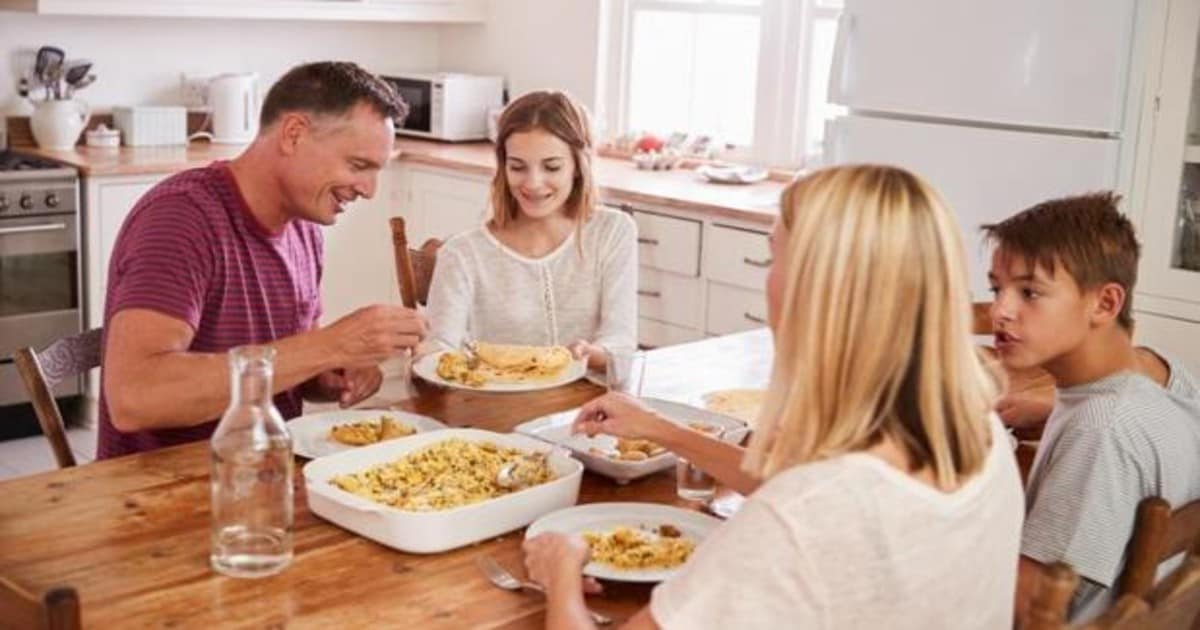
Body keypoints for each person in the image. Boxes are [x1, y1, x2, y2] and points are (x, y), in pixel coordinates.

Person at [523, 165, 1026, 629]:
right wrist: (662, 429)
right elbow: (808, 489)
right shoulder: (981, 437)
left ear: (815, 290)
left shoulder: (801, 519)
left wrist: (560, 572)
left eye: (774, 257)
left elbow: (806, 507)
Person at [99, 61, 426, 459]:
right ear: (293, 134)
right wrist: (327, 345)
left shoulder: (304, 228)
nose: (370, 190)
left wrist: (331, 369)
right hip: (164, 492)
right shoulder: (181, 219)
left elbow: (281, 359)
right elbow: (136, 397)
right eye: (358, 166)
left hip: (266, 473)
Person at [983, 192, 1200, 624]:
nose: (1000, 310)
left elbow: (1026, 611)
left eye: (1029, 292)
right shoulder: (1165, 375)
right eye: (996, 288)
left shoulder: (1099, 432)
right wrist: (1055, 409)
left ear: (1105, 303)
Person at [423, 90, 637, 369]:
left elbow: (620, 346)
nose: (533, 183)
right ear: (502, 166)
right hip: (497, 409)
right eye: (517, 167)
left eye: (551, 167)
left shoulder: (612, 232)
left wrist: (589, 354)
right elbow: (440, 355)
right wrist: (425, 357)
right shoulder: (463, 254)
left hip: (592, 408)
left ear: (577, 165)